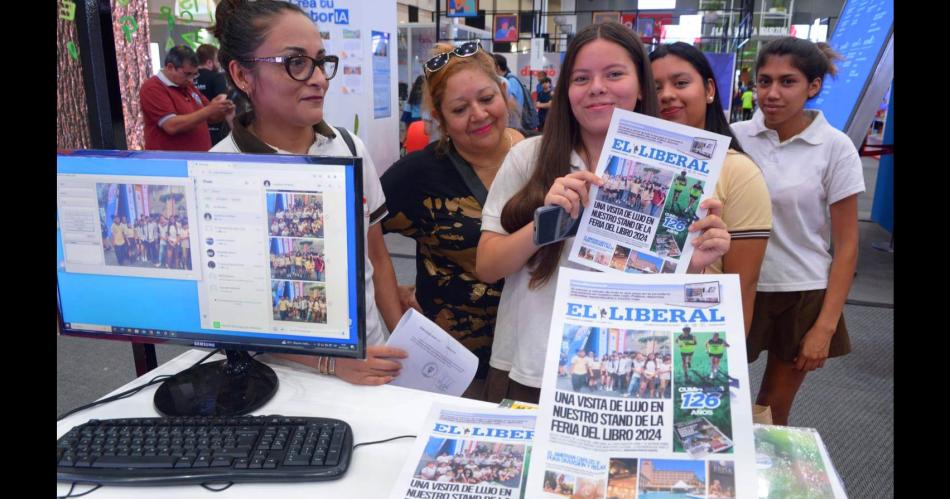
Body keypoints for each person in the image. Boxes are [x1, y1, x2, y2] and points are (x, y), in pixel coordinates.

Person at [475, 22, 731, 403]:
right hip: (534, 364)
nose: (597, 87)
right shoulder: (529, 156)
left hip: (627, 368)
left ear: (641, 84)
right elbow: (487, 266)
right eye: (581, 77)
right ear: (566, 91)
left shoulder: (682, 168)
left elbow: (669, 286)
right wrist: (546, 223)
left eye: (614, 74)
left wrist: (696, 261)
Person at [210, 0, 408, 384]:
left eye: (320, 61)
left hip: (370, 361)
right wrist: (329, 364)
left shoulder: (348, 148)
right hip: (276, 377)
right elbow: (229, 311)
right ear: (242, 75)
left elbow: (379, 261)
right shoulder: (220, 169)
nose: (318, 78)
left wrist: (404, 345)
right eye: (295, 62)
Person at [381, 41, 526, 399]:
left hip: (529, 357)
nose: (478, 115)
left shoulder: (539, 158)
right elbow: (353, 233)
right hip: (452, 366)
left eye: (486, 98)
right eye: (460, 109)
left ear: (504, 93)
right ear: (441, 119)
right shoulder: (417, 175)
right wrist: (388, 292)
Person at [733, 37, 864, 425]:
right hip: (739, 288)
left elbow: (847, 245)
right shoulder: (735, 136)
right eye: (764, 81)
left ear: (813, 86)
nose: (772, 93)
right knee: (713, 403)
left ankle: (760, 486)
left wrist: (824, 326)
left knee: (770, 412)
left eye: (787, 82)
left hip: (801, 293)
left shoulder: (834, 147)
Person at [650, 42, 772, 334]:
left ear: (709, 90)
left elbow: (742, 286)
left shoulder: (738, 171)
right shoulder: (632, 164)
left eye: (680, 83)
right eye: (655, 87)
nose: (667, 95)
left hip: (693, 325)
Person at [140, 45, 234, 151]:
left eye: (194, 75)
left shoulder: (187, 86)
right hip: (172, 162)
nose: (191, 80)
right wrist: (210, 109)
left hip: (198, 160)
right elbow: (171, 126)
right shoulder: (153, 88)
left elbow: (211, 117)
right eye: (187, 74)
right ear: (170, 67)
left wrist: (222, 108)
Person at [195, 44, 234, 146]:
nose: (219, 64)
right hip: (216, 131)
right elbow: (223, 102)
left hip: (194, 130)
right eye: (217, 61)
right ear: (209, 62)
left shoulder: (188, 79)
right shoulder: (217, 77)